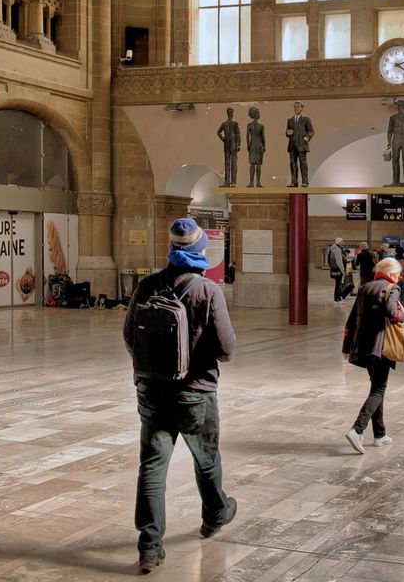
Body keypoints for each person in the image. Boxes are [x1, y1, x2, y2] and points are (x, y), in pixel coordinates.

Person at [123, 218, 239, 574]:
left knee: (153, 467)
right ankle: (215, 514)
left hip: (152, 391)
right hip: (195, 393)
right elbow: (226, 348)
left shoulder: (147, 286)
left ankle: (149, 546)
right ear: (200, 251)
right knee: (205, 459)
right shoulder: (207, 291)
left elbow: (130, 337)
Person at [342, 257, 404, 452]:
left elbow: (352, 318)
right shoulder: (392, 288)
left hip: (363, 345)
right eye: (398, 274)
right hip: (382, 345)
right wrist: (402, 314)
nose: (399, 277)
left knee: (376, 387)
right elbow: (391, 311)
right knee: (378, 389)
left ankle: (380, 434)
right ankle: (357, 430)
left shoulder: (364, 287)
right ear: (391, 273)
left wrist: (346, 346)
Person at [285, 101, 314, 186]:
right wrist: (287, 133)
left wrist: (306, 138)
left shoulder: (306, 119)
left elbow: (311, 131)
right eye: (295, 107)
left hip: (302, 144)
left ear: (302, 108)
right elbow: (287, 132)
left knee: (303, 163)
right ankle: (294, 181)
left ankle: (305, 181)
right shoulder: (290, 120)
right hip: (292, 145)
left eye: (298, 107)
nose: (296, 108)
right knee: (293, 163)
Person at [216, 107, 240, 187]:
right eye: (230, 113)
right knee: (227, 164)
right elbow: (218, 132)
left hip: (233, 146)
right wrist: (223, 139)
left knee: (233, 164)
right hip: (227, 146)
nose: (231, 114)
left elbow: (238, 134)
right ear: (227, 113)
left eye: (232, 113)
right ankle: (227, 182)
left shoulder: (235, 124)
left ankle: (233, 182)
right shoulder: (224, 124)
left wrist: (238, 144)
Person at [246, 106, 266, 187]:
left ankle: (252, 182)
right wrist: (264, 146)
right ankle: (257, 182)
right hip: (259, 145)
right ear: (256, 114)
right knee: (257, 165)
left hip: (253, 145)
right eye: (258, 112)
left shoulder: (249, 125)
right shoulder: (261, 126)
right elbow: (263, 138)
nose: (259, 114)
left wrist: (248, 145)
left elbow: (247, 136)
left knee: (253, 164)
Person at [327, 237, 347, 303]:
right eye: (342, 242)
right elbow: (339, 262)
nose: (343, 243)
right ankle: (337, 297)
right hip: (337, 270)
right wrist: (343, 271)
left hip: (333, 269)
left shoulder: (332, 248)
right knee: (338, 284)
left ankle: (339, 296)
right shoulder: (337, 250)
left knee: (338, 283)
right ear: (339, 242)